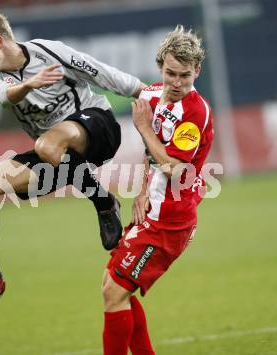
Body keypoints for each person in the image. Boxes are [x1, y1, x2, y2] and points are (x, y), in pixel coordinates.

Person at [0, 10, 145, 306]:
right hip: (56, 156)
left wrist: (148, 92)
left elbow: (99, 72)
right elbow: (1, 95)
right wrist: (28, 85)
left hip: (99, 128)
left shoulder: (50, 52)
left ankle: (103, 204)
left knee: (48, 144)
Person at [101, 25, 214, 354]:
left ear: (197, 71)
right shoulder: (151, 95)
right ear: (160, 68)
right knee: (114, 287)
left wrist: (142, 128)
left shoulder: (196, 112)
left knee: (114, 292)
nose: (176, 83)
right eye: (170, 74)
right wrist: (141, 187)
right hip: (150, 212)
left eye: (185, 76)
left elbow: (175, 167)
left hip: (170, 222)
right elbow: (154, 152)